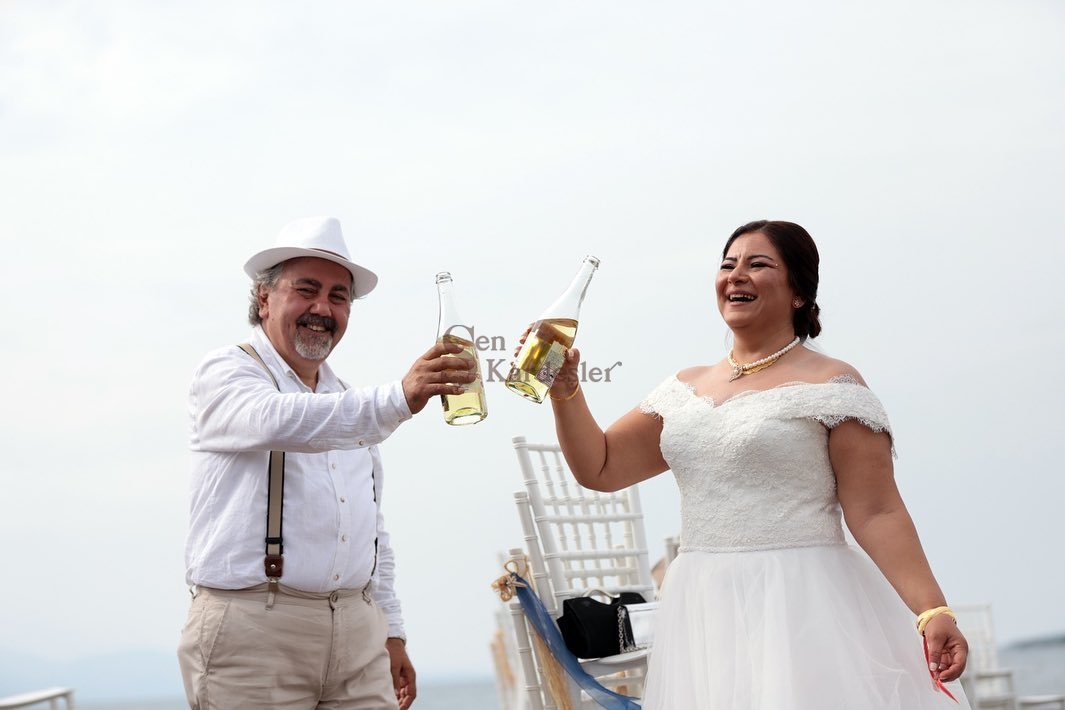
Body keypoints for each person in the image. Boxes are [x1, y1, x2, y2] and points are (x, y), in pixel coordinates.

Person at [536, 220, 971, 708]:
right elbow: (601, 468)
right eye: (728, 265)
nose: (736, 275)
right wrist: (565, 389)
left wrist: (932, 609)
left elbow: (877, 511)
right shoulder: (684, 387)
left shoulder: (833, 385)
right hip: (701, 605)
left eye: (757, 264)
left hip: (801, 602)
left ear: (799, 293)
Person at [178, 216, 477, 709]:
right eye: (307, 290)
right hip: (254, 632)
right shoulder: (226, 371)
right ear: (264, 298)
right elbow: (277, 420)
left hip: (358, 631)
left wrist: (391, 630)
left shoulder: (345, 400)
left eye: (339, 297)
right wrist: (398, 398)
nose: (322, 308)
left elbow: (369, 529)